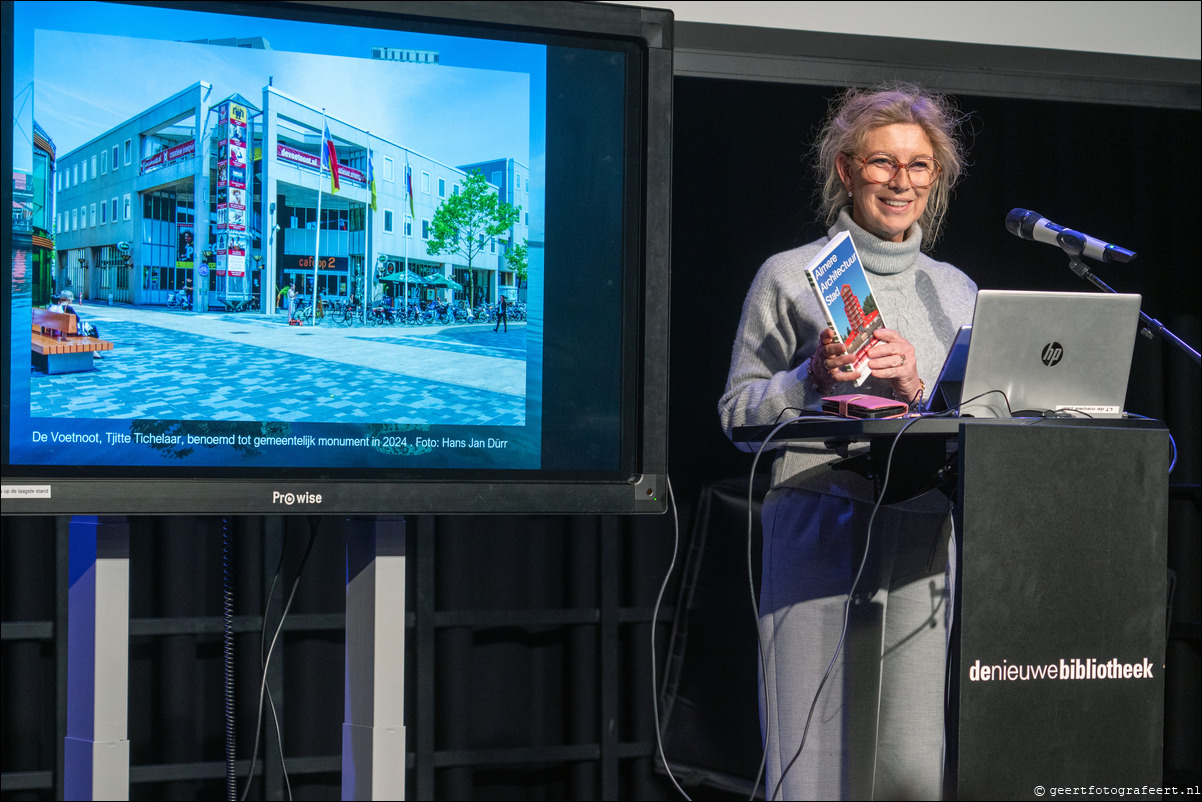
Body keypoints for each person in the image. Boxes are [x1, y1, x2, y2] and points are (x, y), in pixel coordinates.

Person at [718, 84, 977, 801]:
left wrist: (921, 385)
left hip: (923, 533)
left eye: (920, 166)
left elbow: (982, 417)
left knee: (912, 762)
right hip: (817, 524)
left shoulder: (957, 292)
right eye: (882, 163)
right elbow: (737, 413)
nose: (901, 182)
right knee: (812, 757)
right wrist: (808, 378)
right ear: (844, 169)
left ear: (937, 179)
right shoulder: (789, 275)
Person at [53, 289, 105, 359]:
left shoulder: (57, 307)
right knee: (92, 328)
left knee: (89, 328)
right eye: (71, 299)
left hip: (60, 329)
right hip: (67, 331)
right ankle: (94, 350)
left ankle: (93, 350)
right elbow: (77, 319)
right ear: (69, 299)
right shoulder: (68, 308)